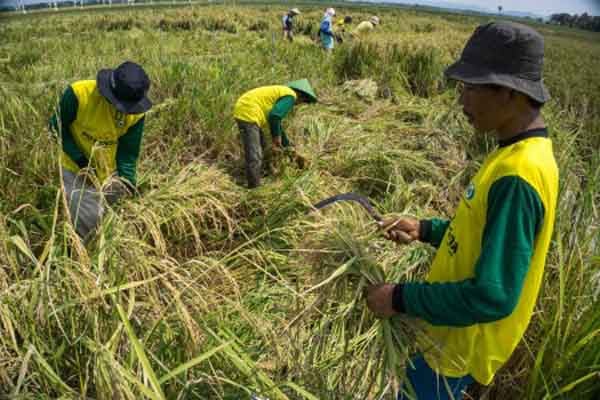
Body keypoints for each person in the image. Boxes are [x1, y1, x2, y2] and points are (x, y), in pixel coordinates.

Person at [366, 21, 558, 399]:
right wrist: (425, 229)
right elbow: (478, 231)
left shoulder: (519, 174)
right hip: (445, 338)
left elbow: (492, 296)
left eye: (470, 87)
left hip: (453, 350)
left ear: (508, 92)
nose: (462, 101)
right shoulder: (513, 152)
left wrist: (398, 298)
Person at [49, 61, 152, 240]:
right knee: (88, 219)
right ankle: (81, 254)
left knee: (117, 211)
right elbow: (56, 127)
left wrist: (127, 181)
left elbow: (128, 152)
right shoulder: (78, 94)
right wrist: (79, 160)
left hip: (107, 170)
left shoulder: (135, 114)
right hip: (75, 167)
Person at [233, 79, 317, 188]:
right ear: (301, 96)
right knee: (255, 154)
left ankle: (261, 176)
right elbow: (275, 117)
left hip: (246, 109)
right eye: (302, 102)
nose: (297, 104)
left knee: (263, 147)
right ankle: (254, 188)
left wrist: (288, 146)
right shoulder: (291, 96)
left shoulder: (283, 91)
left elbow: (277, 124)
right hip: (248, 112)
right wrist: (276, 138)